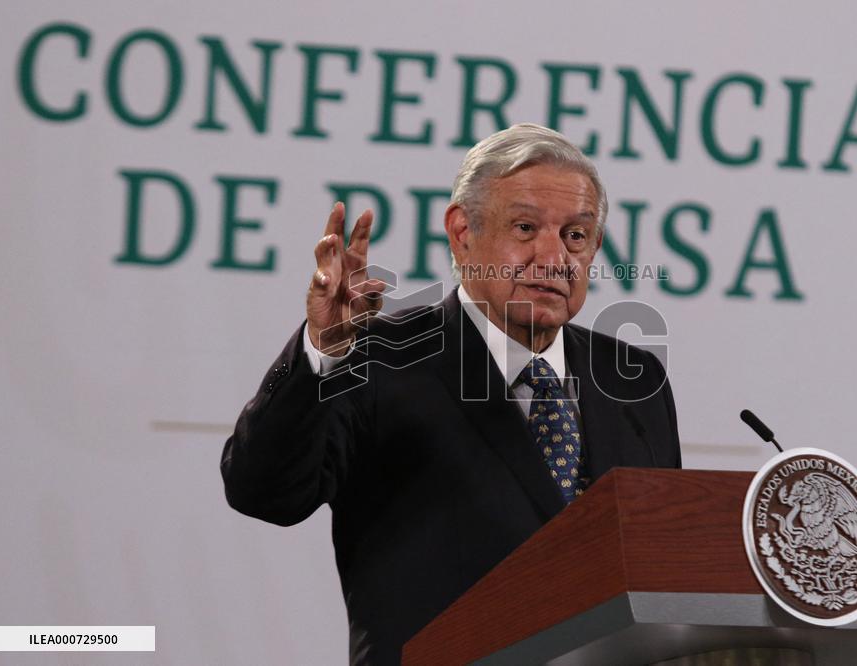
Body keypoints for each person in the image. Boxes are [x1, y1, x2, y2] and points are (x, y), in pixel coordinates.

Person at [221, 123, 681, 665]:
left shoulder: (633, 377)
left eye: (575, 236)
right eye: (526, 227)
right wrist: (322, 352)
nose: (554, 257)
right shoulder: (375, 356)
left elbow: (661, 569)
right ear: (463, 232)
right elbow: (264, 492)